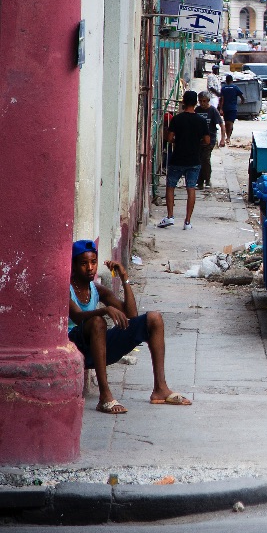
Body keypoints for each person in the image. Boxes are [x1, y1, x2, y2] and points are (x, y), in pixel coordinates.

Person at [67, 240, 191, 414]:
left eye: (93, 262)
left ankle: (160, 388)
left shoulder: (96, 289)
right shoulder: (67, 289)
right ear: (72, 265)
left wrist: (124, 278)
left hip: (97, 345)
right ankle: (105, 396)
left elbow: (131, 315)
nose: (90, 268)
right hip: (75, 345)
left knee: (154, 319)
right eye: (83, 263)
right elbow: (78, 317)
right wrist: (103, 310)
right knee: (97, 322)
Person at [160, 90, 210, 229]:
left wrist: (178, 140)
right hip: (194, 159)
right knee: (191, 189)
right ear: (196, 103)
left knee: (170, 187)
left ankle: (170, 217)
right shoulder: (201, 121)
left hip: (177, 159)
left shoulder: (177, 119)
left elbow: (170, 138)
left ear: (183, 102)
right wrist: (196, 141)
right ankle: (187, 222)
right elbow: (207, 140)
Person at [194, 91, 222, 189]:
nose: (202, 103)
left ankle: (207, 179)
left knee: (205, 159)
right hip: (198, 140)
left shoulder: (213, 111)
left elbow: (221, 124)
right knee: (199, 160)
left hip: (210, 139)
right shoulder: (197, 110)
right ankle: (200, 181)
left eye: (204, 101)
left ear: (208, 101)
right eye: (200, 101)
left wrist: (223, 139)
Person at [218, 75, 245, 147]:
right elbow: (241, 96)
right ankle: (228, 138)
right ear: (232, 80)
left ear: (226, 81)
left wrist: (220, 109)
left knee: (227, 123)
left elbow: (221, 99)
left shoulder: (223, 88)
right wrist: (242, 101)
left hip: (225, 108)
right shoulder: (235, 88)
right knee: (230, 123)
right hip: (233, 108)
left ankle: (228, 137)